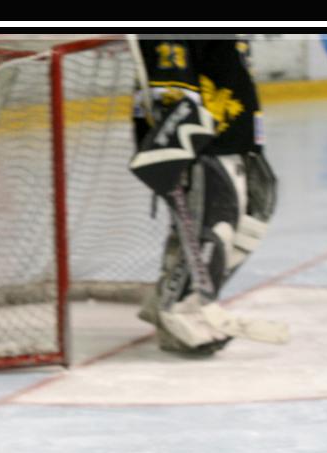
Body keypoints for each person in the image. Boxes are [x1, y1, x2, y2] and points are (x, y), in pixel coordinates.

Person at [128, 36, 278, 355]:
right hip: (204, 146)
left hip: (236, 139)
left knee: (248, 222)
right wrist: (180, 152)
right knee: (214, 230)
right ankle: (181, 312)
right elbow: (168, 87)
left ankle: (170, 299)